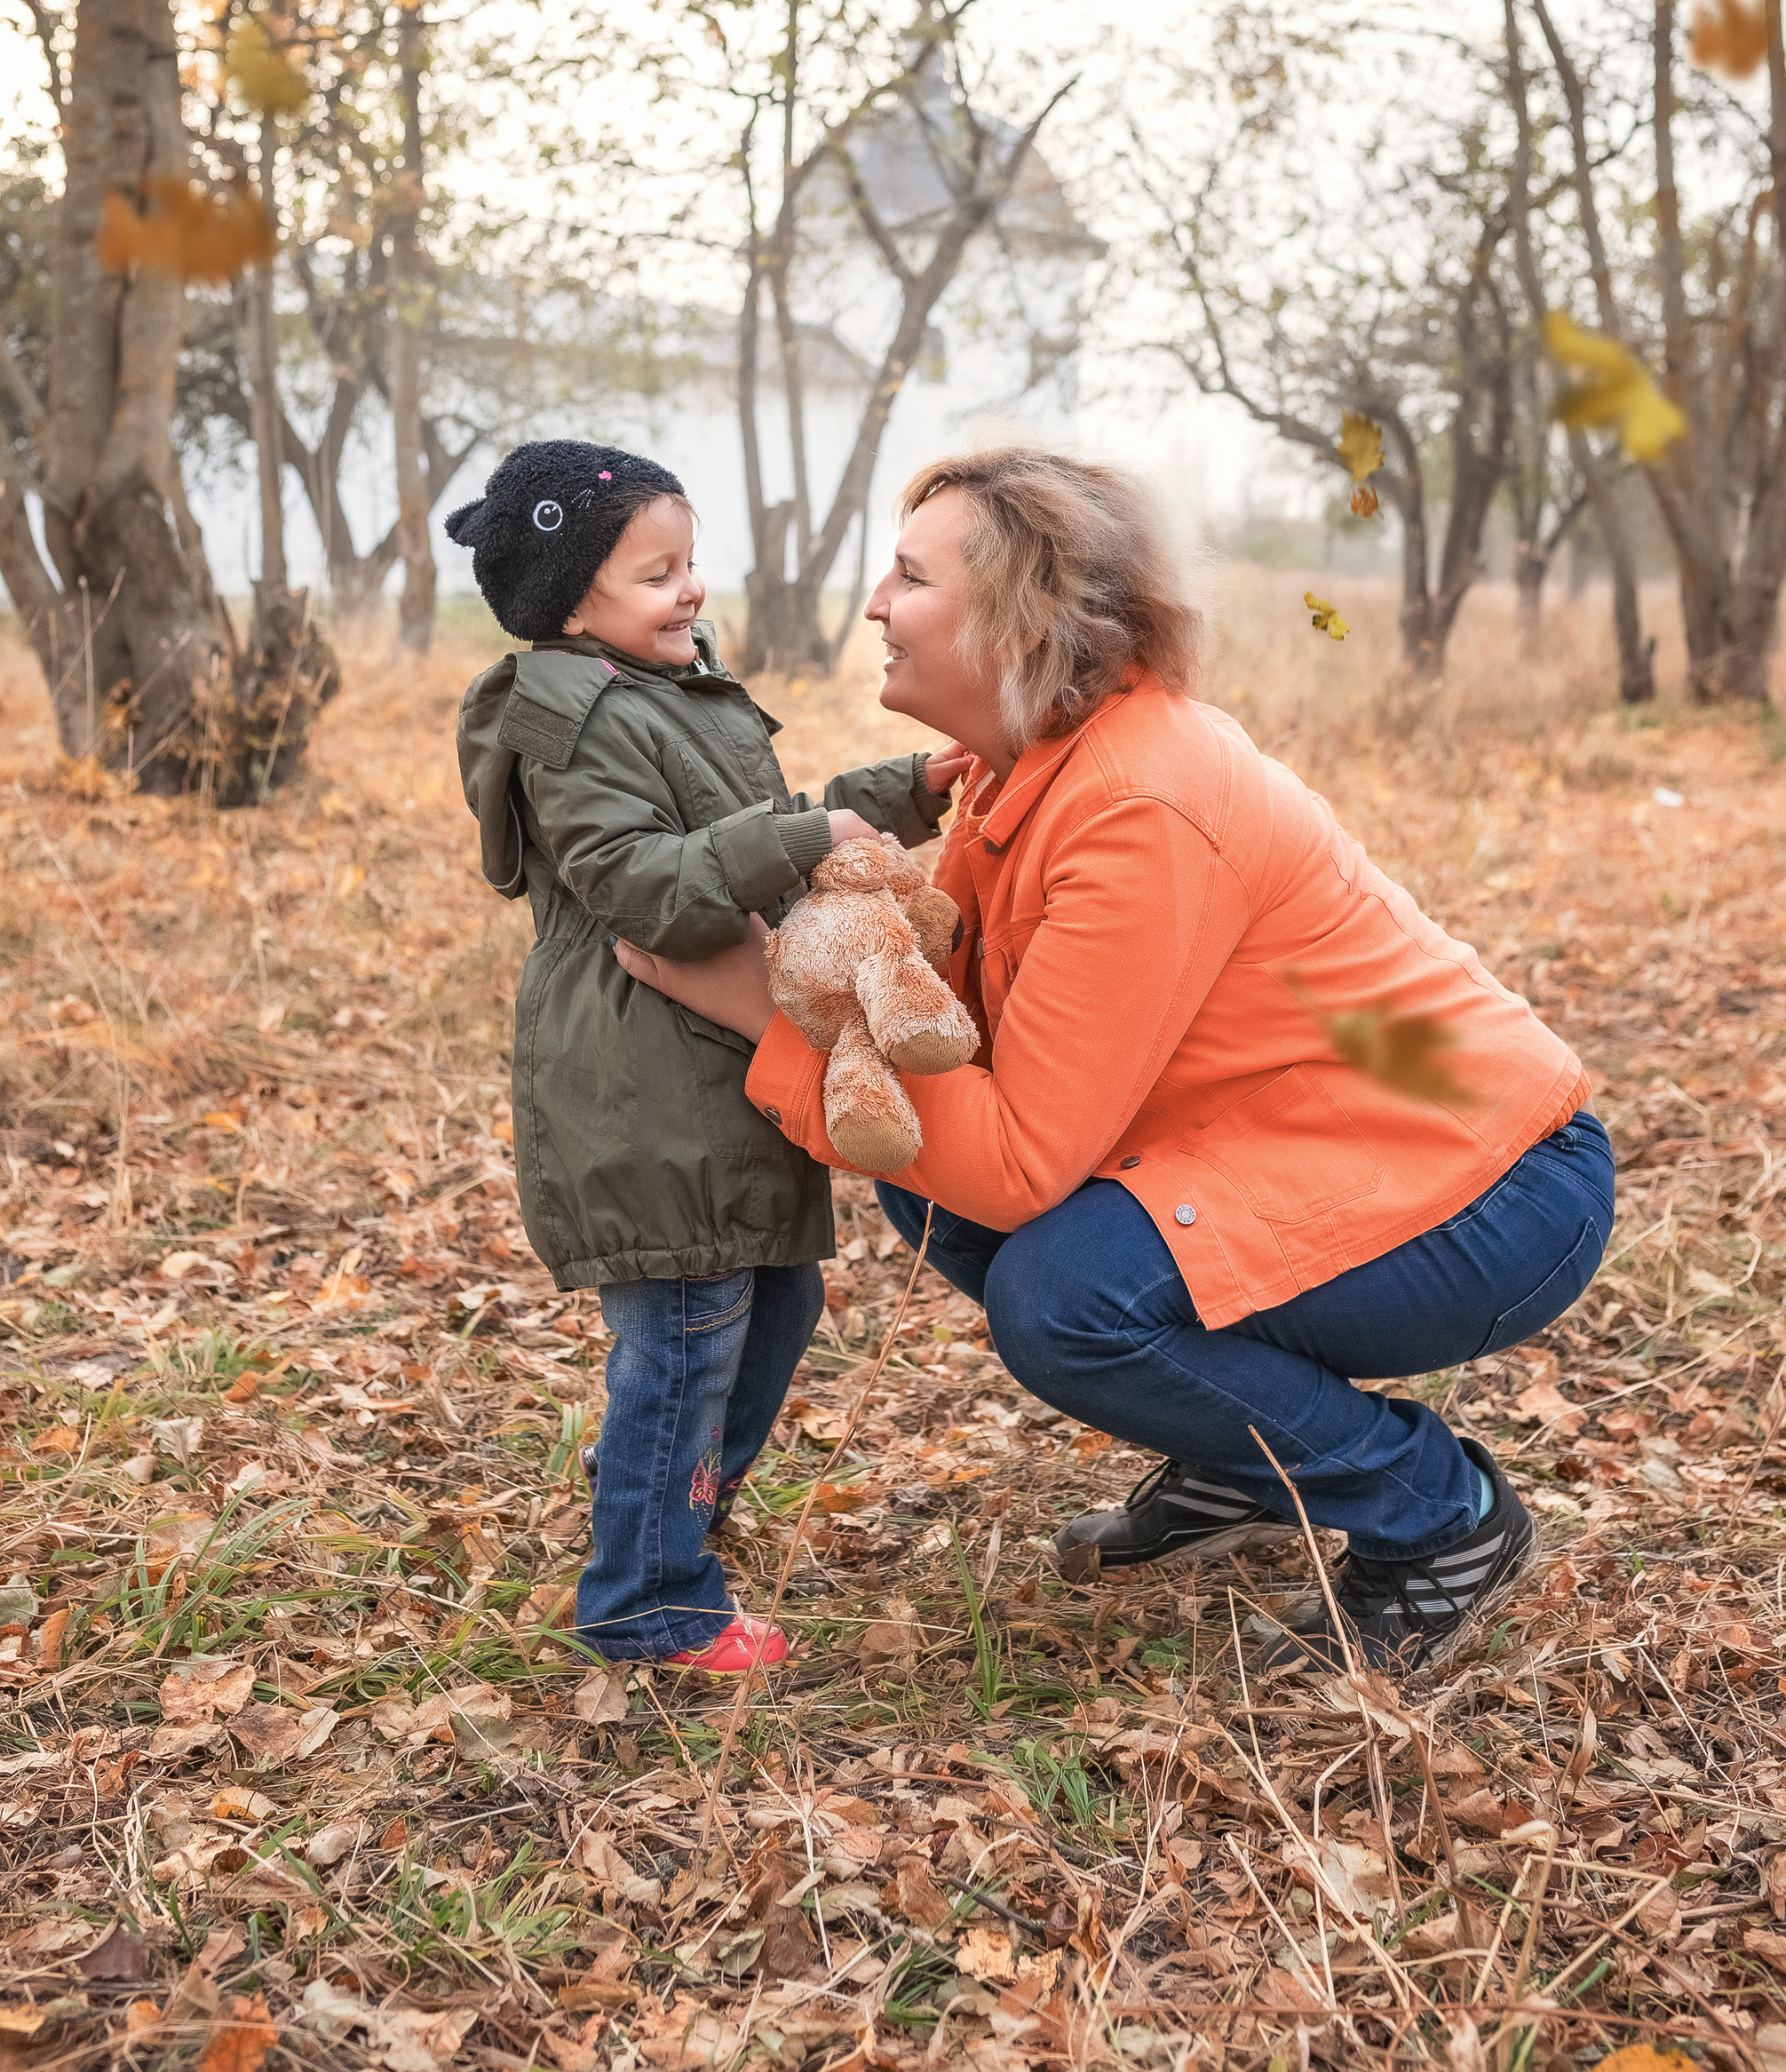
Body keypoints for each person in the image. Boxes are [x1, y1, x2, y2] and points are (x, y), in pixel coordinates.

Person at [612, 446, 1615, 1676]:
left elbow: (1023, 1160)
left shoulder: (1141, 799)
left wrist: (764, 1008)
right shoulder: (1026, 771)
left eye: (912, 577)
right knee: (940, 1196)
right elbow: (969, 1051)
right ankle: (1249, 1459)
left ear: (1025, 619)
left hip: (1492, 1185)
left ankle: (1438, 1515)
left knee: (1067, 1298)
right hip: (1312, 1142)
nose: (875, 604)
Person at [452, 440, 952, 1671]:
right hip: (640, 1076)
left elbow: (751, 831)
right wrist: (804, 840)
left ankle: (662, 1496)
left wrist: (902, 790)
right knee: (687, 1332)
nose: (691, 590)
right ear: (573, 603)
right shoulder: (573, 721)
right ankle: (649, 1599)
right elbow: (644, 887)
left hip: (708, 1066)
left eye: (689, 563)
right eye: (656, 574)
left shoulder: (661, 690)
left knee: (778, 1301)